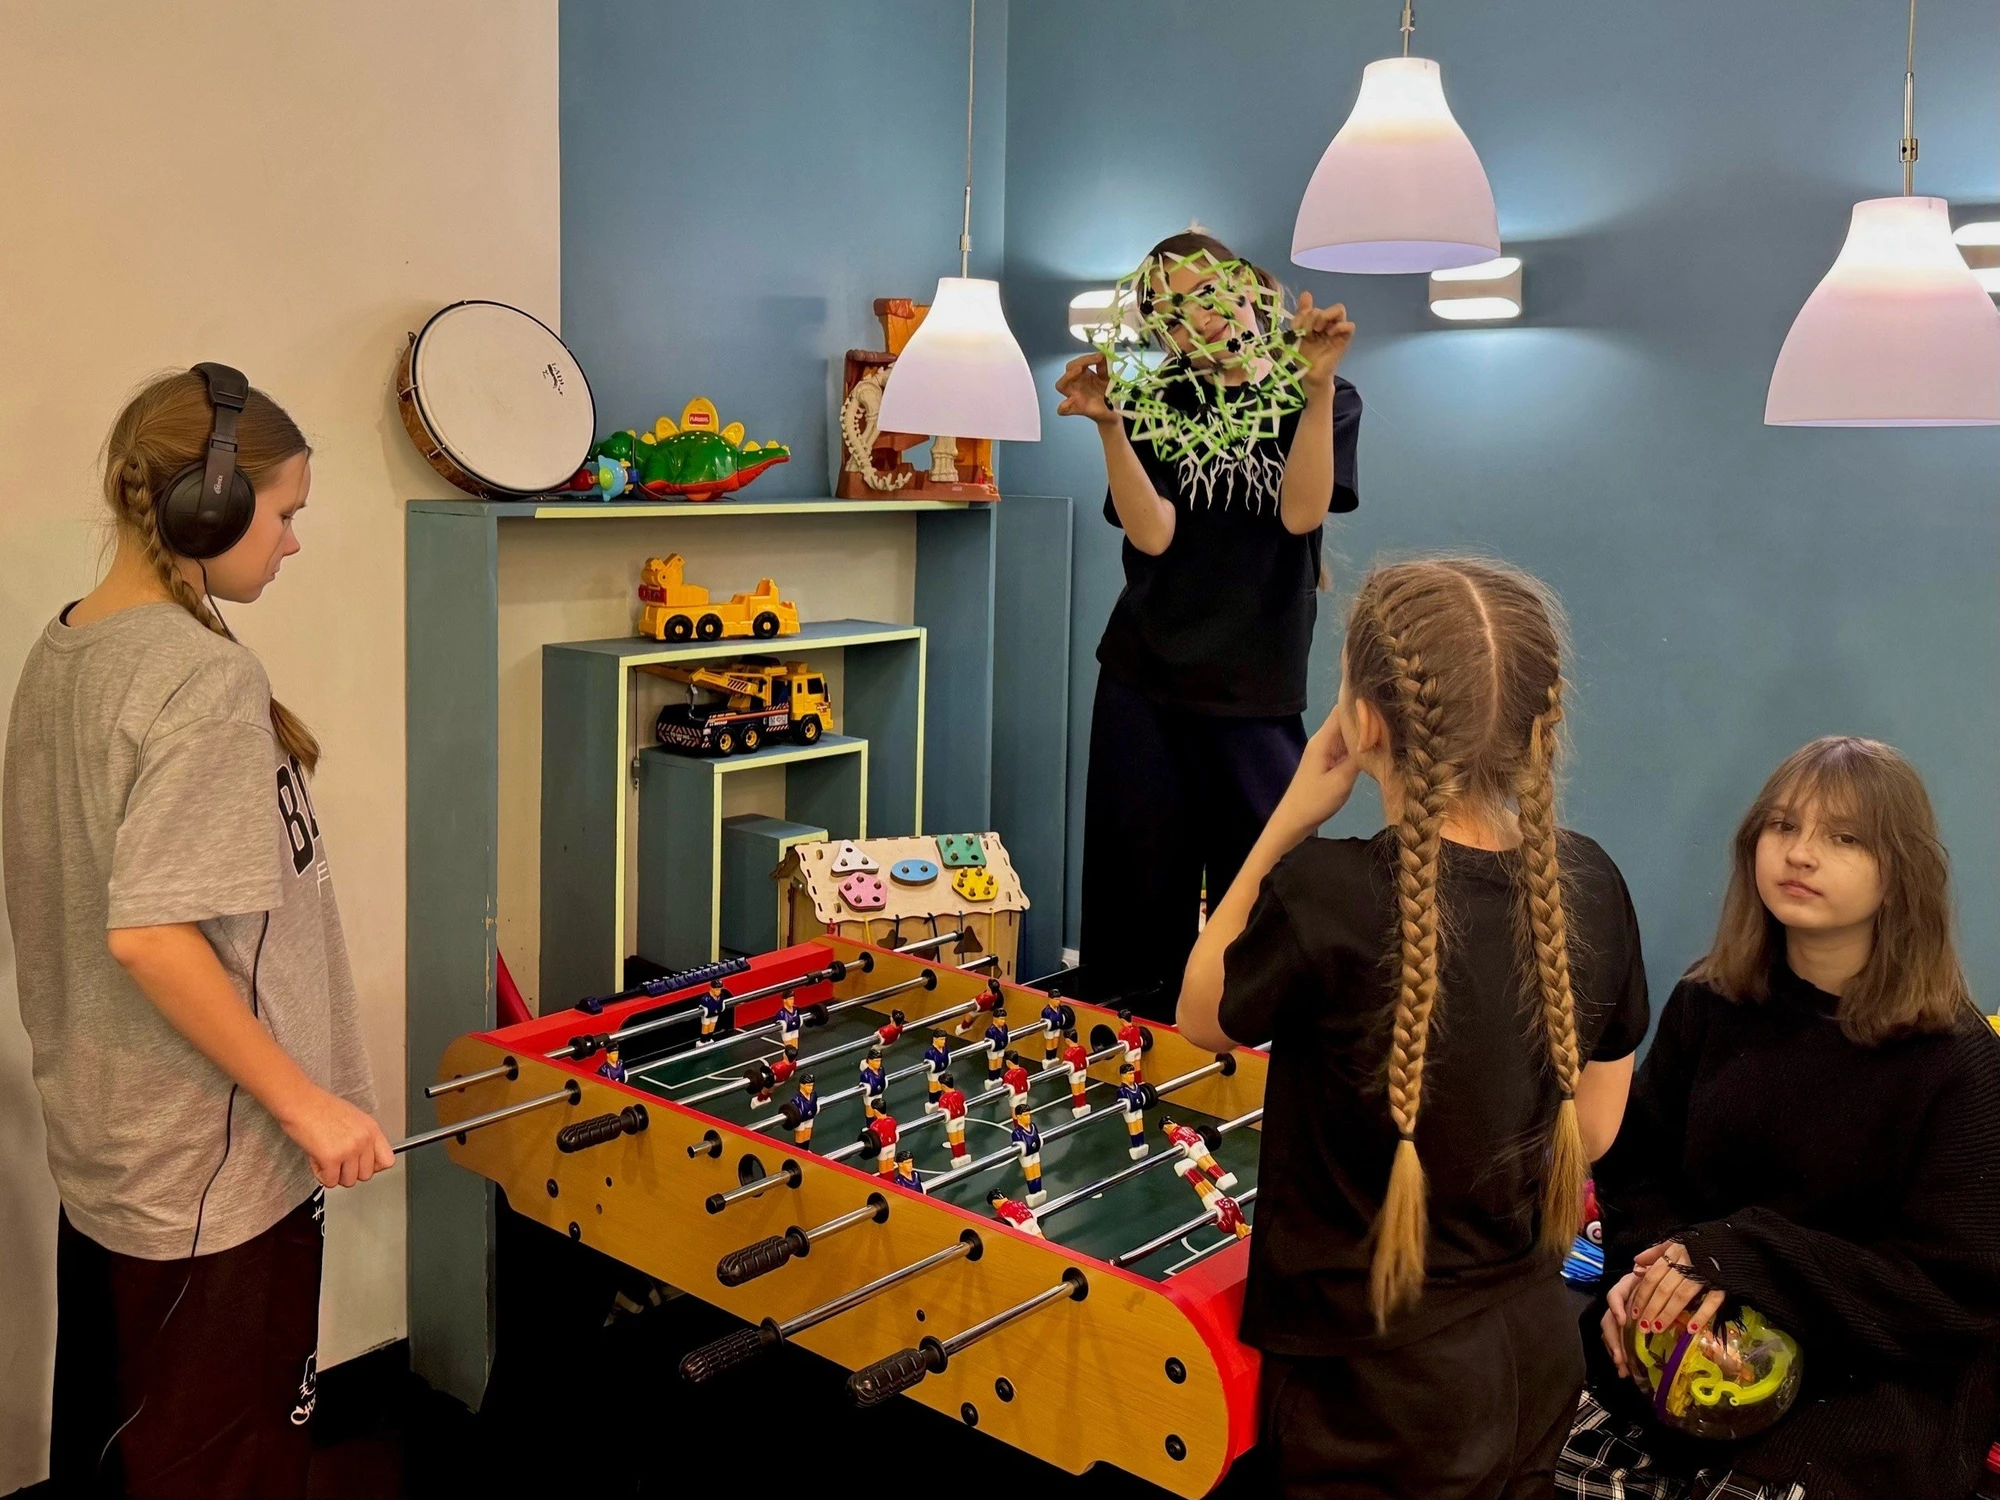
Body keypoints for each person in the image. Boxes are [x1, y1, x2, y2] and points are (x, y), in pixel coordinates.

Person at [1178, 557, 1651, 1499]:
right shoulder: (1593, 882)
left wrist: (1287, 820)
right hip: (1535, 1354)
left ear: (1364, 722)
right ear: (1541, 723)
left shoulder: (1327, 892)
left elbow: (1200, 1012)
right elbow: (1595, 1128)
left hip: (1371, 1393)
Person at [4, 366, 389, 1497]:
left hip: (121, 1157)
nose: (294, 542)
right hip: (209, 1180)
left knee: (129, 1463)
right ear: (209, 508)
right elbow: (152, 936)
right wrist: (308, 1104)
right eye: (286, 513)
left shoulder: (66, 646)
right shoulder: (199, 677)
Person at [1565, 737, 2000, 1500]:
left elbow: (1949, 1292)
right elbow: (1639, 1172)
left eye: (1844, 838)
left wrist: (1740, 1255)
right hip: (1691, 1344)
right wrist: (1642, 1283)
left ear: (1900, 874)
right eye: (1783, 826)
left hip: (1868, 1389)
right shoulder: (1707, 1002)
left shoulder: (1959, 1063)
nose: (1800, 853)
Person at [1058, 228, 1361, 1019]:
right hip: (1142, 681)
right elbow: (1153, 533)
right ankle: (1125, 1050)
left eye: (1204, 294)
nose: (1195, 318)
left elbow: (1301, 514)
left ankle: (1249, 1061)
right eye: (1170, 312)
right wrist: (1110, 426)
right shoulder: (1156, 398)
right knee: (1133, 901)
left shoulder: (1320, 392)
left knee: (1261, 897)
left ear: (1245, 288)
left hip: (1255, 692)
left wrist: (1317, 390)